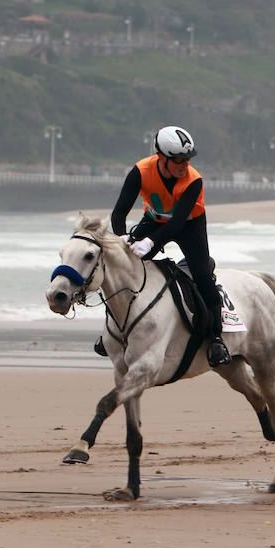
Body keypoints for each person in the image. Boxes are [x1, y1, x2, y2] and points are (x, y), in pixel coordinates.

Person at [103, 125, 231, 367]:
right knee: (122, 266)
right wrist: (121, 238)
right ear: (161, 157)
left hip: (189, 225)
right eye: (179, 160)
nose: (185, 165)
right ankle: (111, 330)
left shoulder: (194, 180)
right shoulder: (140, 172)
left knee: (203, 276)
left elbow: (178, 223)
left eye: (188, 159)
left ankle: (216, 339)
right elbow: (119, 212)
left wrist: (150, 242)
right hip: (154, 220)